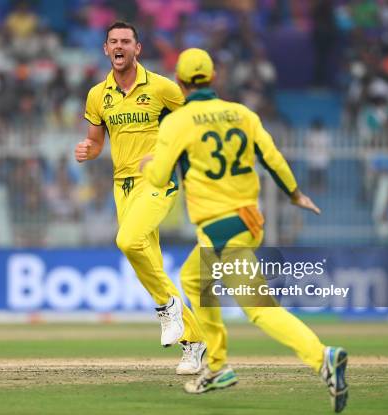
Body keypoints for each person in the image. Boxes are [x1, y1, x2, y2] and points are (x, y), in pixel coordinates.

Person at [140, 48, 349, 412]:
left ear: (180, 81)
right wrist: (295, 193)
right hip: (248, 220)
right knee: (192, 279)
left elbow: (159, 177)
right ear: (214, 78)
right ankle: (217, 366)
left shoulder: (178, 122)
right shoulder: (242, 113)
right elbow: (273, 159)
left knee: (259, 309)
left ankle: (322, 357)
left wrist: (147, 164)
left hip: (220, 231)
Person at [74, 21, 206, 375]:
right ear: (105, 49)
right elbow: (98, 140)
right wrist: (89, 149)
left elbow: (192, 124)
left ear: (137, 49)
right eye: (113, 41)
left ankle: (167, 310)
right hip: (123, 186)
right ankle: (193, 344)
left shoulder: (162, 87)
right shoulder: (97, 95)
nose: (119, 46)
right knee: (150, 264)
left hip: (157, 180)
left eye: (126, 41)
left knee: (128, 241)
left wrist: (165, 152)